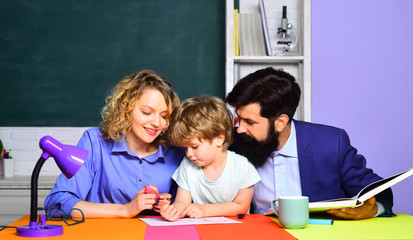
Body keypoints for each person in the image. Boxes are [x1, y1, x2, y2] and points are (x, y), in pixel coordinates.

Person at [226, 67, 393, 220]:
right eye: (239, 118)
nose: (239, 128)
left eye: (249, 122)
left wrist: (374, 208)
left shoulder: (331, 143)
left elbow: (379, 191)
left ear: (280, 122)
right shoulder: (231, 143)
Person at [44, 70, 185, 218]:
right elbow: (57, 204)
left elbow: (188, 206)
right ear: (126, 108)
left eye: (164, 116)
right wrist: (125, 210)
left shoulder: (178, 150)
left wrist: (168, 206)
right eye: (146, 112)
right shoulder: (94, 142)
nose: (157, 123)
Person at [160, 95, 261, 221]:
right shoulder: (187, 165)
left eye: (194, 147)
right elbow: (182, 202)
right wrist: (173, 210)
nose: (189, 154)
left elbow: (241, 206)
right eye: (185, 148)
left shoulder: (243, 167)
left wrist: (205, 210)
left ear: (219, 139)